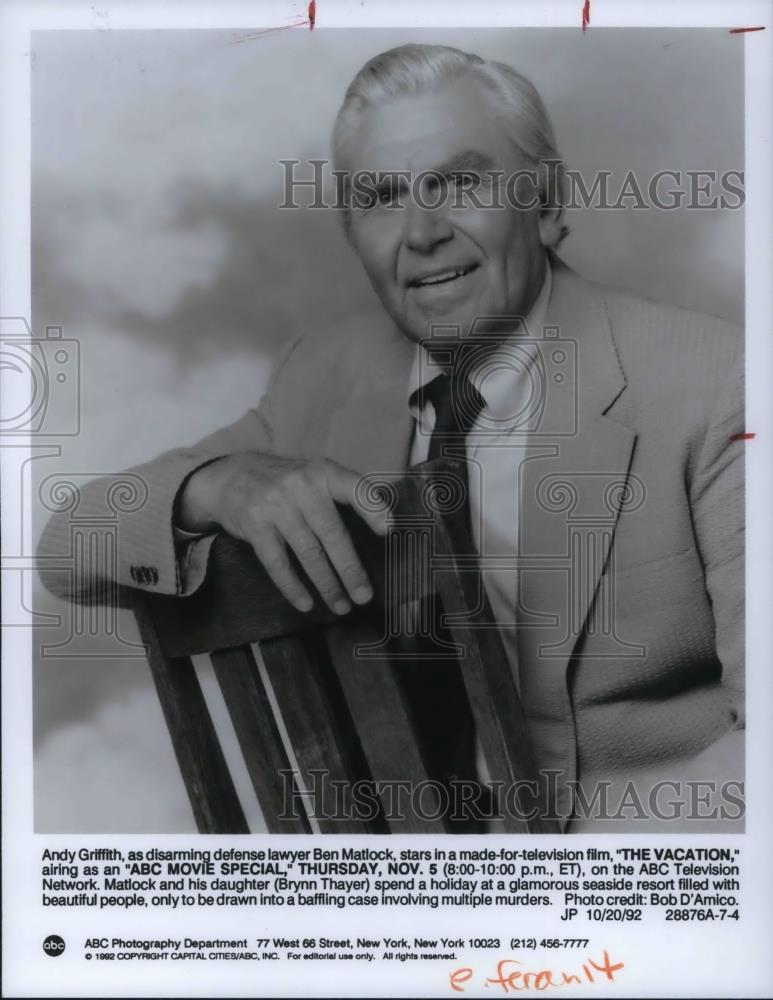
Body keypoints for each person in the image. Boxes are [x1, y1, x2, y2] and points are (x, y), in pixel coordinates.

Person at [38, 43, 744, 831]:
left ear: (545, 203)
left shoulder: (719, 382)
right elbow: (70, 550)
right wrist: (215, 484)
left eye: (460, 184)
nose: (421, 232)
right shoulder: (323, 379)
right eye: (380, 197)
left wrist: (562, 888)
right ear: (352, 233)